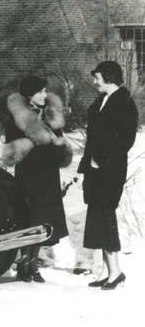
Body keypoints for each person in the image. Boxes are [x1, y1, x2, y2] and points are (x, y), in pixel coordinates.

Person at [2, 75, 73, 283]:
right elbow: (13, 150)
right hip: (31, 176)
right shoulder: (17, 118)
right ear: (29, 95)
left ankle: (33, 263)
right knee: (29, 218)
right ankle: (25, 264)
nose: (45, 94)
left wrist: (55, 147)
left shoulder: (50, 115)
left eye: (45, 90)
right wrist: (38, 144)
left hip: (48, 175)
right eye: (41, 91)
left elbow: (59, 143)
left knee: (43, 220)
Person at [79, 61, 138, 290]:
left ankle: (116, 272)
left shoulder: (124, 104)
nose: (95, 81)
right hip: (95, 170)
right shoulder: (101, 102)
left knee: (106, 216)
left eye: (98, 77)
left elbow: (125, 140)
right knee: (97, 217)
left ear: (109, 77)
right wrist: (87, 164)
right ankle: (107, 271)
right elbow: (92, 138)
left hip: (110, 170)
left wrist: (101, 161)